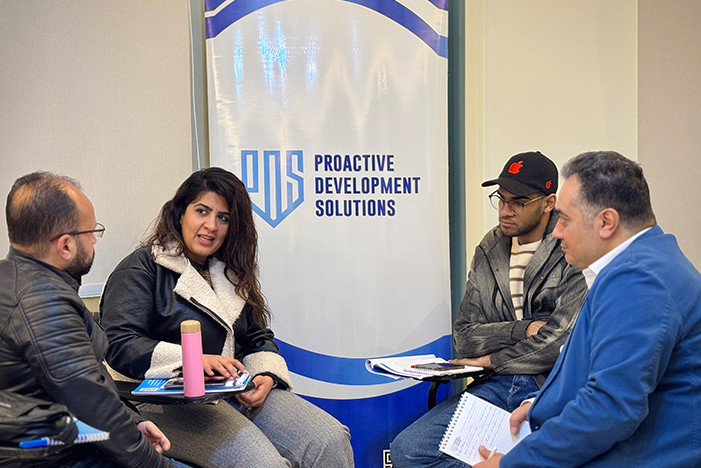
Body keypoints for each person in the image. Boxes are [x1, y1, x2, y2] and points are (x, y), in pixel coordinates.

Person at [99, 167, 354, 468]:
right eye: (202, 211)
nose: (211, 226)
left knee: (330, 439)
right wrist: (193, 360)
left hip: (230, 392)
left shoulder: (229, 272)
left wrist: (265, 376)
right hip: (162, 402)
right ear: (180, 213)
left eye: (223, 218)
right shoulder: (142, 267)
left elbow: (257, 337)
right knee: (264, 465)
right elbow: (118, 343)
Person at [474, 151, 701, 467]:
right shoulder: (646, 262)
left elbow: (609, 407)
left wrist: (509, 464)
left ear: (606, 222)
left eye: (565, 220)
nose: (557, 232)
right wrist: (543, 403)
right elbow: (605, 369)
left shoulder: (638, 281)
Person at [391, 151, 588, 466]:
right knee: (409, 451)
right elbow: (465, 336)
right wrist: (523, 329)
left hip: (551, 385)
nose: (505, 211)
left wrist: (489, 360)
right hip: (497, 384)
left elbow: (558, 343)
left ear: (548, 203)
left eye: (518, 202)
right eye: (501, 199)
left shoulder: (570, 246)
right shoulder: (490, 247)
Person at [0, 172, 179, 467]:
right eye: (91, 231)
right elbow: (93, 407)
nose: (95, 239)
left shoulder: (15, 279)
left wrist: (134, 422)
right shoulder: (43, 301)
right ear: (66, 245)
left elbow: (85, 385)